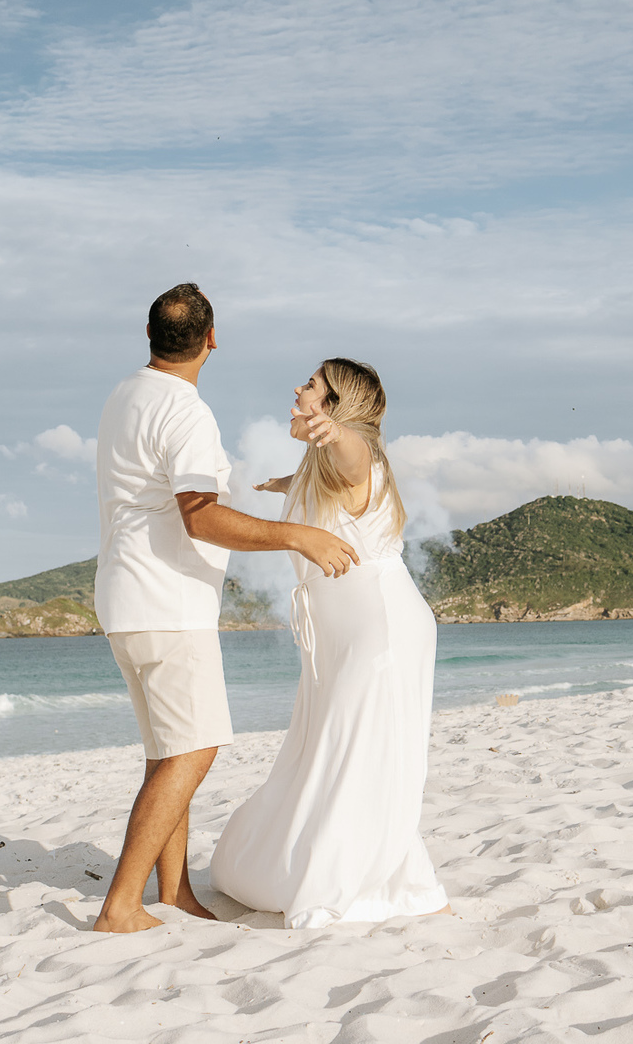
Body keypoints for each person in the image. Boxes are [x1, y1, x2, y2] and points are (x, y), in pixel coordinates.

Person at [92, 285, 361, 934]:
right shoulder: (185, 412)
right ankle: (121, 905)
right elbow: (201, 517)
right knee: (194, 751)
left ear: (149, 333)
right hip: (168, 603)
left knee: (169, 751)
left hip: (126, 598)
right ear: (212, 339)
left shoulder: (126, 394)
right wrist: (297, 535)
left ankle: (174, 890)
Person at [209, 357, 449, 928]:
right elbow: (321, 483)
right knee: (332, 752)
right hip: (342, 638)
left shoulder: (358, 457)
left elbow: (353, 456)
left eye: (312, 384)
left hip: (379, 630)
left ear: (335, 406)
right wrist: (282, 483)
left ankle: (354, 880)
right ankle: (364, 871)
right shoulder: (318, 470)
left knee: (356, 755)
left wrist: (336, 432)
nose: (298, 386)